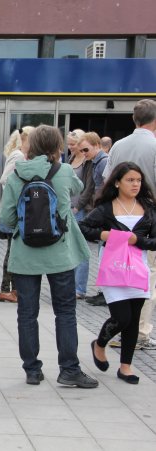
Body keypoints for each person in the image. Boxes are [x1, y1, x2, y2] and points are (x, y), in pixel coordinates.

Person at [0, 125, 98, 388]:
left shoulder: (17, 173)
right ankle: (69, 370)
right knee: (65, 312)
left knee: (27, 314)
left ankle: (32, 370)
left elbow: (6, 217)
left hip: (25, 254)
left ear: (30, 146)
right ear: (58, 147)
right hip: (59, 253)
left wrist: (25, 224)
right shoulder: (63, 170)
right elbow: (78, 188)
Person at [80, 162, 156, 385]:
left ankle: (126, 367)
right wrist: (103, 235)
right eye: (130, 180)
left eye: (138, 180)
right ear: (117, 183)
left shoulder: (148, 208)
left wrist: (137, 240)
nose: (135, 184)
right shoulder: (105, 208)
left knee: (134, 320)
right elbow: (83, 227)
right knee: (122, 318)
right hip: (113, 269)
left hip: (138, 270)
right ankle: (99, 344)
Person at [102, 99, 156, 350]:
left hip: (119, 216)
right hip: (148, 217)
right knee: (148, 274)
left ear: (135, 119)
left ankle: (122, 325)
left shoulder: (118, 145)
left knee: (121, 272)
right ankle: (140, 331)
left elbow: (106, 179)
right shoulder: (154, 145)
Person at [0, 127, 34, 303]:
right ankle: (7, 289)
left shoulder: (22, 155)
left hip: (16, 210)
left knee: (14, 250)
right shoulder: (18, 156)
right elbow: (5, 179)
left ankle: (13, 289)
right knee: (13, 251)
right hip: (14, 211)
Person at [77, 132, 110, 306]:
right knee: (102, 251)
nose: (84, 153)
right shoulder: (95, 162)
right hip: (100, 209)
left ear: (97, 145)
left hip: (103, 210)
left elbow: (104, 187)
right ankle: (103, 291)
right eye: (81, 150)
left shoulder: (103, 161)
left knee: (104, 251)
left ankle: (105, 292)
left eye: (86, 149)